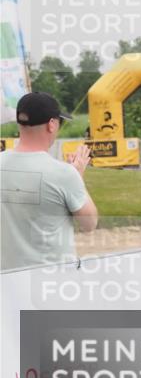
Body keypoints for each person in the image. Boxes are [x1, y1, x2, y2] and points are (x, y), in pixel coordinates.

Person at [1, 92, 99, 270]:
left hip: (6, 283)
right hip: (51, 283)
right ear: (51, 124)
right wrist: (77, 176)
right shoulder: (64, 174)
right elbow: (89, 223)